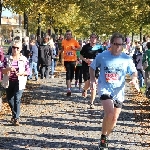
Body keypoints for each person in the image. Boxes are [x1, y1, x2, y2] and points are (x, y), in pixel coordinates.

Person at [89, 32, 138, 149]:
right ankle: (103, 139)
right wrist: (92, 79)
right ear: (111, 44)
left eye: (120, 44)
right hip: (105, 88)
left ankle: (104, 136)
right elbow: (92, 67)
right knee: (109, 113)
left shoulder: (126, 58)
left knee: (114, 118)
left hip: (118, 92)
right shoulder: (102, 56)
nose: (118, 47)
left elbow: (133, 72)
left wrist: (134, 79)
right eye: (116, 44)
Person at [2, 40, 30, 126]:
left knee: (17, 99)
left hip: (20, 81)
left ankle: (16, 118)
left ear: (21, 49)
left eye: (17, 48)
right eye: (14, 47)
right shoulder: (6, 58)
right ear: (11, 48)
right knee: (10, 100)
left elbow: (28, 71)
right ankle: (14, 115)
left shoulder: (24, 59)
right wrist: (8, 69)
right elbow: (2, 70)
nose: (15, 49)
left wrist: (21, 73)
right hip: (9, 81)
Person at [80, 33, 103, 109]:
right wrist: (85, 60)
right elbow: (80, 55)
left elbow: (102, 57)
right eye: (92, 37)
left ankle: (91, 102)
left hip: (95, 68)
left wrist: (96, 61)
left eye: (95, 38)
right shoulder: (85, 47)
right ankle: (84, 89)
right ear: (90, 38)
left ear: (97, 39)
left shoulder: (99, 47)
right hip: (86, 67)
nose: (93, 39)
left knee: (93, 84)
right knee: (87, 83)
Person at [60, 30, 80, 96]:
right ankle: (68, 89)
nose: (68, 35)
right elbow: (62, 49)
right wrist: (59, 53)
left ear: (71, 35)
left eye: (69, 34)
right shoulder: (63, 41)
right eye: (67, 34)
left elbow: (80, 48)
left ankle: (70, 83)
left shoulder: (74, 41)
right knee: (68, 73)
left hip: (73, 60)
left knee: (72, 74)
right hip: (66, 60)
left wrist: (74, 48)